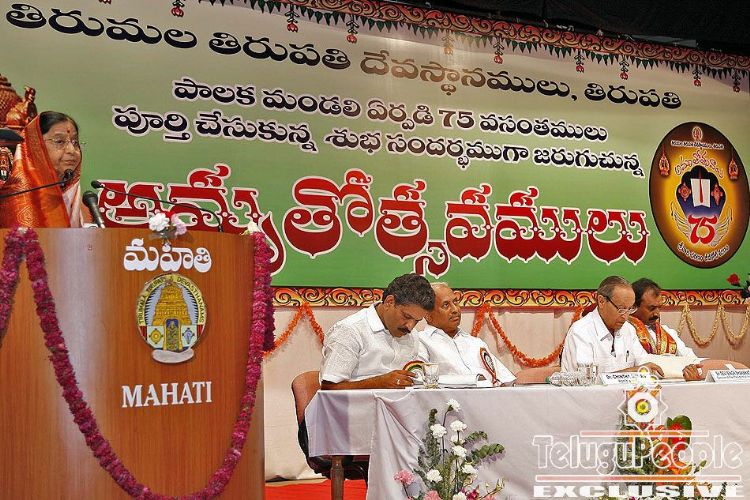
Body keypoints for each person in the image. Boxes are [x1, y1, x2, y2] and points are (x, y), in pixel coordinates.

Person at [320, 273, 435, 389]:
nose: (410, 327)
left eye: (417, 321)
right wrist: (377, 383)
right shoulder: (350, 330)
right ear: (389, 302)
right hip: (357, 401)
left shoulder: (412, 335)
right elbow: (329, 387)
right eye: (406, 316)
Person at [561, 276, 664, 376]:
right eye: (621, 309)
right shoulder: (581, 331)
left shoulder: (628, 329)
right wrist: (632, 372)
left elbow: (644, 362)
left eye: (630, 309)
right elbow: (584, 380)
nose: (625, 316)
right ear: (601, 301)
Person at [418, 282, 515, 385]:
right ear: (428, 315)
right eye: (446, 305)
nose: (455, 309)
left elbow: (505, 380)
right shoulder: (421, 341)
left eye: (455, 302)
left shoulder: (476, 343)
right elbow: (419, 379)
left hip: (490, 394)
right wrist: (473, 380)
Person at [0, 111, 85, 228]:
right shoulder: (16, 197)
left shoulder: (83, 203)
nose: (72, 150)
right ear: (35, 145)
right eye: (59, 141)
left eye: (75, 142)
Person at [631, 278, 702, 381]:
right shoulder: (626, 331)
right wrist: (681, 366)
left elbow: (692, 359)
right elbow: (642, 362)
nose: (657, 313)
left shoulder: (667, 331)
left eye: (659, 307)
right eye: (651, 308)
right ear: (633, 306)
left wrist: (692, 370)